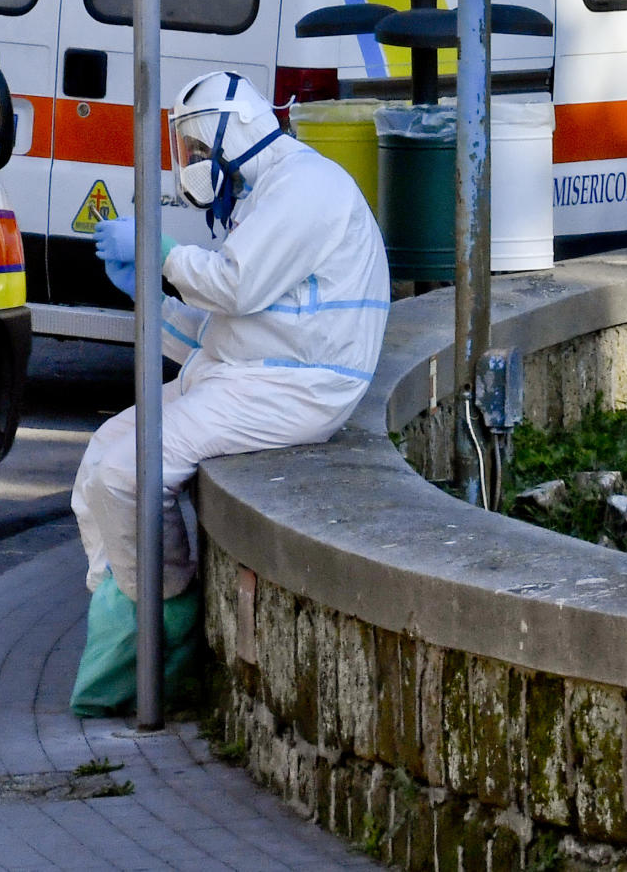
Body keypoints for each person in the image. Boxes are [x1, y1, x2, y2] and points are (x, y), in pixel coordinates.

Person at [68, 71, 389, 717]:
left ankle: (166, 625)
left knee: (129, 472)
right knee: (101, 457)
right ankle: (121, 616)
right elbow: (231, 324)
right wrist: (150, 294)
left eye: (195, 148)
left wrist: (161, 255)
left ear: (233, 131)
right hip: (261, 372)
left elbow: (235, 288)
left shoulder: (305, 188)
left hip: (296, 386)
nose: (190, 165)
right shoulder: (268, 191)